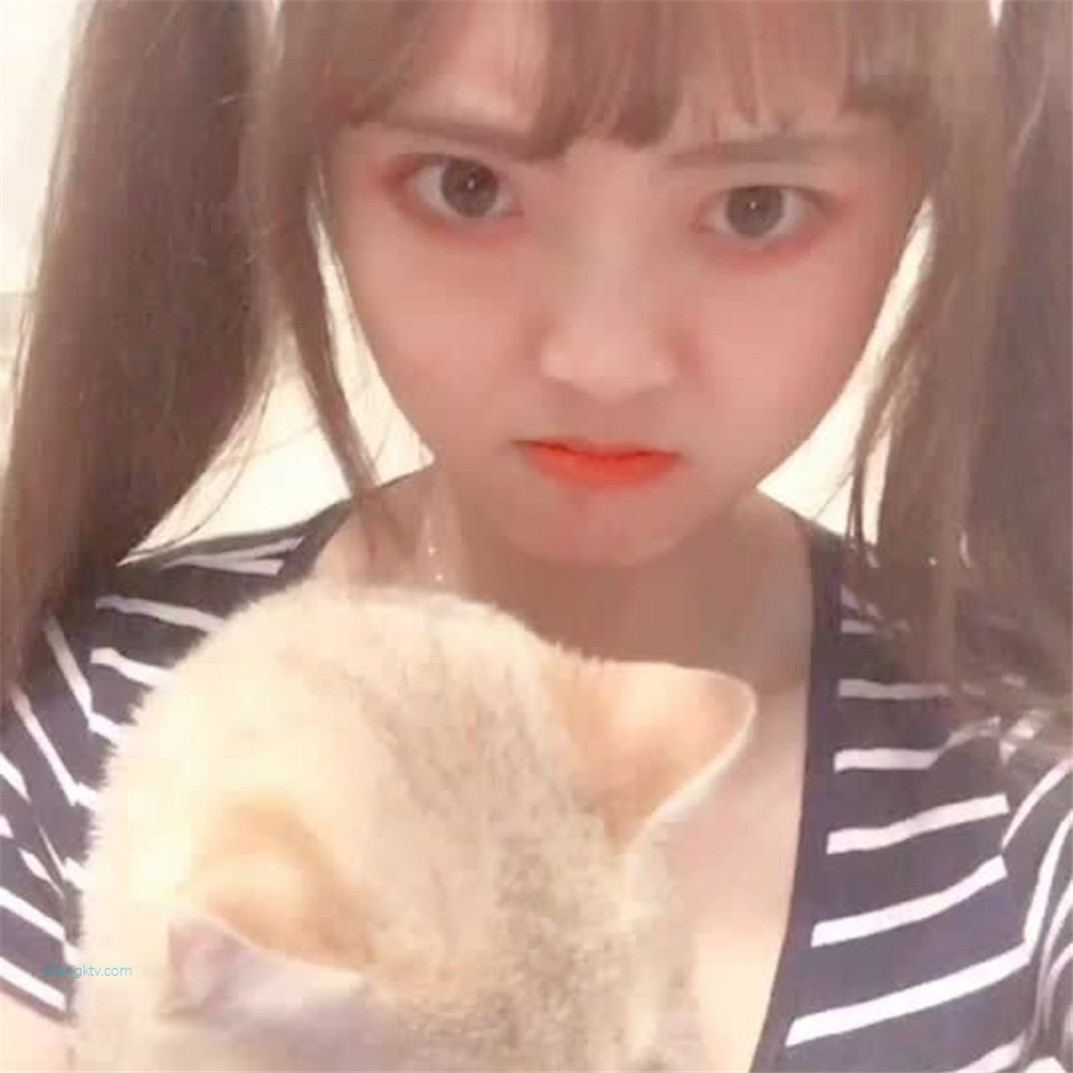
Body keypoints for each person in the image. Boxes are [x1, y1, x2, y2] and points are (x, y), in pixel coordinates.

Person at [1, 1, 1069, 1069]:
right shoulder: (84, 720)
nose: (604, 363)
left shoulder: (1020, 793)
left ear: (924, 183)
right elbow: (100, 979)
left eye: (755, 207)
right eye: (466, 185)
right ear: (312, 162)